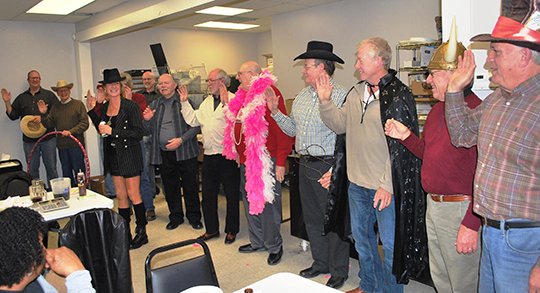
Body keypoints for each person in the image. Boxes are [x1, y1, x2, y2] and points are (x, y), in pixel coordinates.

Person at [319, 37, 428, 293]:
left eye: (360, 58)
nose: (356, 64)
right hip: (356, 184)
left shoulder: (399, 95)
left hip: (383, 188)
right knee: (363, 243)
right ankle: (369, 286)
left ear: (379, 60)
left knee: (390, 246)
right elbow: (340, 126)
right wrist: (325, 102)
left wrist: (387, 184)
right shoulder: (356, 92)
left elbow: (402, 149)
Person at [445, 2, 540, 291]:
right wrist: (453, 90)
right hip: (492, 232)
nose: (489, 61)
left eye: (496, 52)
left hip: (526, 241)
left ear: (524, 56)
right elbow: (461, 135)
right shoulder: (496, 101)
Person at [384, 22, 482, 293]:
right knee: (440, 277)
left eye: (433, 74)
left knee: (463, 282)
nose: (427, 81)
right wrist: (407, 137)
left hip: (460, 210)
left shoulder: (476, 111)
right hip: (435, 206)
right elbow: (429, 154)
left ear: (454, 75)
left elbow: (484, 173)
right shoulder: (439, 111)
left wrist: (472, 223)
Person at [268, 41, 349, 288]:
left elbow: (345, 133)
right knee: (312, 218)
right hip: (304, 163)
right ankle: (320, 262)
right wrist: (274, 112)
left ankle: (338, 269)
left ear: (322, 67)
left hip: (328, 164)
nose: (303, 71)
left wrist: (337, 169)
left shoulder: (342, 95)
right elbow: (293, 130)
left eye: (307, 66)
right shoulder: (302, 97)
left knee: (332, 218)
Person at [222, 61, 293, 266]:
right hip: (246, 159)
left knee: (269, 204)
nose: (237, 77)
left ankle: (274, 245)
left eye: (241, 73)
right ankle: (257, 241)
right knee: (251, 200)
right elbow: (237, 126)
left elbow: (282, 130)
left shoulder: (269, 92)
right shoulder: (242, 96)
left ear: (253, 74)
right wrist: (236, 152)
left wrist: (281, 161)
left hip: (266, 158)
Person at [87, 68, 148, 250]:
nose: (113, 87)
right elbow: (102, 128)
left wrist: (114, 132)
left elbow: (138, 133)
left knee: (133, 194)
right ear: (105, 88)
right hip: (113, 156)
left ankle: (142, 230)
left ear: (120, 86)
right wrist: (91, 111)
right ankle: (124, 232)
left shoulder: (131, 107)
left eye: (116, 84)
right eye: (109, 85)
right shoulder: (105, 107)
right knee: (120, 196)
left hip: (129, 155)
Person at [179, 68, 241, 244]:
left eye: (211, 80)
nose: (208, 83)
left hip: (228, 155)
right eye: (208, 81)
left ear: (223, 81)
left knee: (231, 195)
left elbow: (238, 123)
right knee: (208, 195)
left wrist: (227, 103)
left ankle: (231, 229)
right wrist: (184, 103)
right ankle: (212, 230)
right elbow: (193, 120)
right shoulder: (206, 103)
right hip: (209, 155)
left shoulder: (234, 99)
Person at [143, 73, 203, 231]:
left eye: (166, 83)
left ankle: (194, 217)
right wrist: (147, 120)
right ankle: (175, 216)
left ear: (174, 85)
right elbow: (146, 130)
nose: (162, 86)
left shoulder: (184, 101)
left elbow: (196, 126)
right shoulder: (155, 104)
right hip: (164, 153)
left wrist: (181, 140)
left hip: (185, 151)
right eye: (160, 83)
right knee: (170, 187)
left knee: (190, 186)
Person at [0, 207, 95, 293]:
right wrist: (77, 275)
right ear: (30, 264)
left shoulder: (27, 280)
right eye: (41, 245)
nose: (46, 251)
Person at [2, 70, 59, 183]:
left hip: (48, 138)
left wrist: (42, 117)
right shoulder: (22, 98)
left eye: (37, 77)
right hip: (29, 140)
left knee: (51, 168)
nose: (35, 80)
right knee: (32, 171)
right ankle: (36, 196)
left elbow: (57, 115)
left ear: (40, 79)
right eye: (32, 78)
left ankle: (56, 195)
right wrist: (7, 102)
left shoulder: (49, 95)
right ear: (28, 80)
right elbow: (13, 115)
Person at [38, 80, 89, 186]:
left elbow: (85, 123)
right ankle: (70, 196)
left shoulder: (78, 104)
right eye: (60, 91)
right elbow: (49, 124)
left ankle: (83, 192)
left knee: (79, 172)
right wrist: (43, 114)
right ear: (57, 93)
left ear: (69, 91)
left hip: (76, 145)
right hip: (62, 146)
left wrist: (71, 132)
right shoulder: (55, 107)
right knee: (66, 174)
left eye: (65, 90)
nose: (63, 93)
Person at [120, 72, 156, 222]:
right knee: (123, 177)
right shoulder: (113, 102)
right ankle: (127, 207)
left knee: (143, 175)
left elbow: (139, 122)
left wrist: (128, 103)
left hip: (137, 142)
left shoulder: (139, 98)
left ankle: (148, 207)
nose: (118, 88)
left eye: (121, 85)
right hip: (121, 144)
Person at [136, 70, 160, 214]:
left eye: (149, 79)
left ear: (154, 80)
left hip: (158, 134)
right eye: (144, 79)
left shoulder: (159, 94)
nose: (146, 81)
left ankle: (157, 189)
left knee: (159, 165)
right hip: (145, 134)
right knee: (147, 166)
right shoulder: (139, 96)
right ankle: (150, 192)